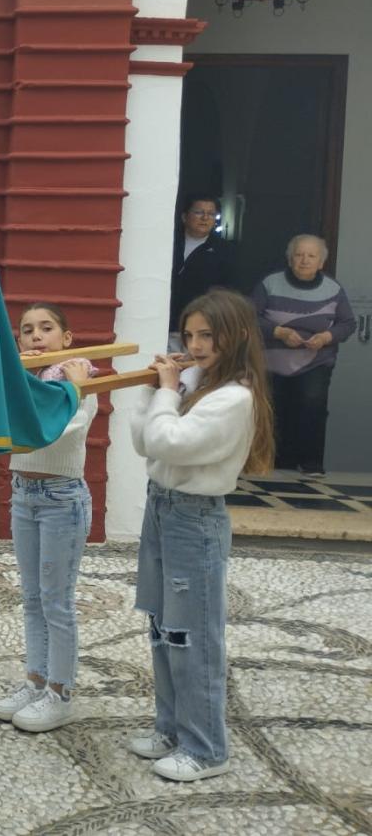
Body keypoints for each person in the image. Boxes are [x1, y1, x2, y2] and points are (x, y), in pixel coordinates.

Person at [128, 289, 274, 782]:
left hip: (195, 519)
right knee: (163, 628)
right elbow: (142, 439)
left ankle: (207, 747)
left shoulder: (234, 397)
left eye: (207, 335)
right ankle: (171, 729)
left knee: (194, 638)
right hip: (162, 509)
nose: (195, 344)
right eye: (189, 334)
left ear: (236, 336)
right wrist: (154, 389)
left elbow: (168, 440)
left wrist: (167, 391)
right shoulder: (196, 386)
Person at [0, 304, 96, 734]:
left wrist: (72, 386)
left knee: (57, 601)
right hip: (23, 495)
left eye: (47, 328)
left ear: (66, 338)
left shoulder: (78, 375)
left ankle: (60, 691)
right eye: (27, 331)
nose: (36, 337)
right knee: (31, 598)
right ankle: (35, 681)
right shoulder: (19, 379)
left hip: (61, 497)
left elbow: (62, 426)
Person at [250, 234, 355, 476]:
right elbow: (248, 316)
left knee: (312, 406)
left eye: (311, 256)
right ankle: (271, 463)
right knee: (272, 409)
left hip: (315, 361)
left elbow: (348, 323)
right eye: (299, 255)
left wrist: (326, 337)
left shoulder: (333, 289)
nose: (304, 260)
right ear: (289, 259)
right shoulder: (270, 283)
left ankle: (312, 465)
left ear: (321, 262)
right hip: (271, 362)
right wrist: (278, 331)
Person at [169, 193, 235, 349]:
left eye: (211, 214)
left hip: (200, 327)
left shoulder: (225, 251)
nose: (205, 218)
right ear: (185, 217)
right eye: (199, 212)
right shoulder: (169, 241)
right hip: (162, 322)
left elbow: (227, 292)